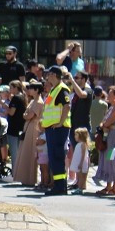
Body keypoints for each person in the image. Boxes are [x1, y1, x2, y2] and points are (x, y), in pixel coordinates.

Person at [40, 66, 71, 196]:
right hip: (52, 128)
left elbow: (67, 106)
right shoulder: (54, 89)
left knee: (57, 157)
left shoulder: (61, 89)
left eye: (49, 74)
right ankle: (60, 186)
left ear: (54, 75)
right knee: (54, 157)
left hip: (58, 128)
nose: (47, 77)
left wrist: (60, 122)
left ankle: (59, 187)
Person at [13, 80, 44, 187]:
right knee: (25, 152)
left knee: (30, 153)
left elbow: (29, 115)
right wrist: (26, 115)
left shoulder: (39, 102)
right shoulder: (32, 101)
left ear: (37, 90)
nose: (29, 90)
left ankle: (30, 179)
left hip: (33, 128)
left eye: (31, 88)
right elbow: (26, 114)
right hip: (28, 127)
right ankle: (24, 177)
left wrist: (26, 115)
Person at [68, 128, 91, 194]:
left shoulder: (83, 144)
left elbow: (83, 155)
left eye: (76, 135)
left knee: (81, 176)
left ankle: (80, 188)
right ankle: (81, 187)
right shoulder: (78, 144)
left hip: (81, 163)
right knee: (79, 176)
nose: (75, 136)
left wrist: (81, 163)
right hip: (78, 162)